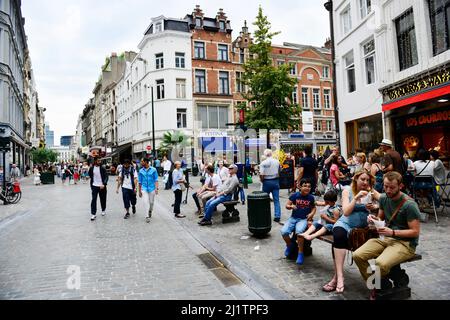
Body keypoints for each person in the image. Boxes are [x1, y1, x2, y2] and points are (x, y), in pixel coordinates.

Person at [353, 172, 421, 300]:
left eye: (392, 187)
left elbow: (415, 232)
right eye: (385, 186)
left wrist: (393, 232)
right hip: (386, 238)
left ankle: (377, 283)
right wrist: (374, 220)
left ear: (400, 186)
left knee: (379, 263)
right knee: (357, 255)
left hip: (405, 243)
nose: (388, 190)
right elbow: (381, 218)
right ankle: (377, 283)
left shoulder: (409, 205)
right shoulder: (384, 198)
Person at [322, 170, 380, 294]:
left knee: (375, 246)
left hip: (363, 229)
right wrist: (356, 198)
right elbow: (346, 212)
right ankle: (340, 277)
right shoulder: (347, 190)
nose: (365, 182)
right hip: (345, 223)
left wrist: (376, 207)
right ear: (356, 179)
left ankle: (375, 283)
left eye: (367, 180)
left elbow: (385, 200)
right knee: (338, 235)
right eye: (362, 179)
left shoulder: (370, 191)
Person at [281, 179, 316, 265]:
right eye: (305, 186)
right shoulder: (294, 196)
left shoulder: (311, 197)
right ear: (300, 187)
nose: (307, 188)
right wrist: (291, 206)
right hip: (293, 218)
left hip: (303, 219)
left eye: (309, 186)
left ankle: (300, 253)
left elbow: (314, 208)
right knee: (284, 232)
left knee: (299, 232)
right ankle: (290, 246)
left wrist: (311, 214)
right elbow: (287, 205)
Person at [259, 149, 282, 222]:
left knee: (264, 200)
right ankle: (277, 216)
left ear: (265, 155)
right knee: (276, 200)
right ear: (271, 154)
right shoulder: (277, 161)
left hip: (266, 181)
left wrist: (262, 181)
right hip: (275, 181)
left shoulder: (263, 163)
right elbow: (279, 171)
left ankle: (265, 215)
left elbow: (261, 174)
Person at [138, 158, 159, 223]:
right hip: (144, 188)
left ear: (146, 162)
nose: (141, 162)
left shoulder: (153, 169)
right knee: (145, 201)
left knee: (151, 202)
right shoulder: (140, 171)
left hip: (152, 188)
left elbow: (156, 180)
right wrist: (139, 191)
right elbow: (140, 182)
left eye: (142, 161)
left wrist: (156, 188)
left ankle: (150, 210)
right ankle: (147, 216)